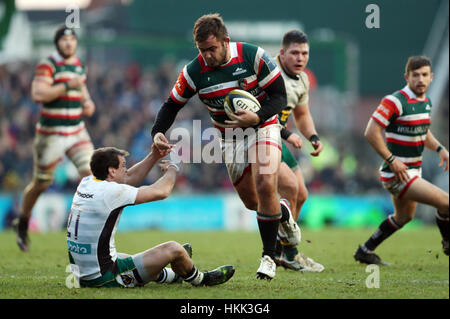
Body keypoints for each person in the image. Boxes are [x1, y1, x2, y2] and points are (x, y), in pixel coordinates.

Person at [151, 13, 300, 280]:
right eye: (202, 50)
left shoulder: (253, 57)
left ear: (225, 41)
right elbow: (172, 104)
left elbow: (279, 97)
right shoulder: (193, 71)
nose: (207, 55)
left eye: (212, 49)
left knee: (266, 183)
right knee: (252, 201)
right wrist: (158, 131)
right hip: (229, 139)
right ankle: (283, 212)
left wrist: (257, 116)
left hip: (262, 126)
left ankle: (269, 256)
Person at [67, 144, 235, 288]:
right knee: (174, 248)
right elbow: (161, 192)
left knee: (123, 257)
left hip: (82, 275)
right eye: (123, 165)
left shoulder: (87, 182)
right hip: (104, 278)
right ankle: (201, 279)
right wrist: (174, 169)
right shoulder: (110, 192)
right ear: (111, 171)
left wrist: (154, 155)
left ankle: (172, 275)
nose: (126, 169)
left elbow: (128, 178)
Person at [354, 56, 449, 265]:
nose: (420, 79)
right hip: (397, 173)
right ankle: (448, 242)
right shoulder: (395, 101)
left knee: (404, 217)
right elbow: (371, 132)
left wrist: (440, 148)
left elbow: (423, 132)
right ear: (407, 77)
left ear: (431, 77)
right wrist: (392, 159)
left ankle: (365, 250)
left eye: (424, 75)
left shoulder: (426, 102)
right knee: (446, 202)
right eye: (415, 75)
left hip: (413, 171)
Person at [13, 26, 96, 252]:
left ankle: (90, 229)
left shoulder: (79, 64)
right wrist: (67, 85)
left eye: (72, 40)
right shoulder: (47, 65)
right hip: (52, 133)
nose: (69, 43)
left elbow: (82, 88)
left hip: (77, 130)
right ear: (57, 43)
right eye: (64, 40)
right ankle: (22, 221)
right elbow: (38, 94)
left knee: (94, 175)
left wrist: (87, 101)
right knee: (42, 183)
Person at [273, 30, 325, 272]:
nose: (300, 58)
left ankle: (278, 249)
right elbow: (259, 112)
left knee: (301, 194)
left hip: (278, 140)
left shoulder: (303, 79)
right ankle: (290, 254)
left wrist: (312, 136)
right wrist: (286, 134)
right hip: (260, 138)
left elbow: (302, 115)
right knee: (291, 189)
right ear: (282, 53)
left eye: (305, 53)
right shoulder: (268, 73)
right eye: (294, 52)